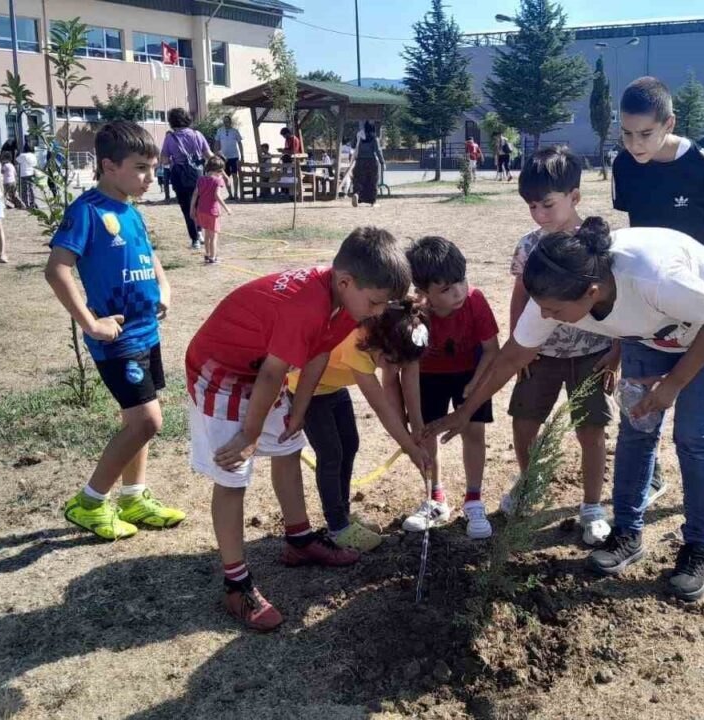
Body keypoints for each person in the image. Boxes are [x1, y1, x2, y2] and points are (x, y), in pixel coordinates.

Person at [423, 218, 704, 602]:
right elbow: (513, 355)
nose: (545, 317)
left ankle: (699, 547)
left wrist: (673, 385)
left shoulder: (653, 277)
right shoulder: (556, 288)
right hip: (651, 336)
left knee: (693, 436)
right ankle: (627, 534)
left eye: (553, 310)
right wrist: (467, 410)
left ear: (592, 293)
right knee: (637, 427)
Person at [185, 227, 412, 632]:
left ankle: (299, 541)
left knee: (289, 447)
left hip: (264, 372)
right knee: (233, 474)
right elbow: (274, 371)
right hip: (222, 371)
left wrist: (300, 409)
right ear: (346, 282)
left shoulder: (346, 301)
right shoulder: (305, 306)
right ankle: (236, 584)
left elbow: (319, 352)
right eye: (376, 302)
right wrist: (249, 435)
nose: (378, 313)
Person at [612, 76, 704, 525]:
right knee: (647, 383)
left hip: (697, 295)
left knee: (702, 395)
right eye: (626, 134)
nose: (635, 144)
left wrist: (697, 285)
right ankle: (649, 475)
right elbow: (633, 226)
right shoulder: (624, 166)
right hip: (650, 296)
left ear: (668, 123)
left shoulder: (701, 164)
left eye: (645, 134)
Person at [44, 121, 185, 541]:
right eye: (140, 168)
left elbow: (149, 256)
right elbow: (57, 270)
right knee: (147, 423)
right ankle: (87, 503)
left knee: (135, 420)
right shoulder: (87, 211)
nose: (149, 178)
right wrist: (90, 322)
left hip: (147, 334)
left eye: (153, 168)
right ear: (108, 165)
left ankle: (134, 497)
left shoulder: (131, 211)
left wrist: (164, 286)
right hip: (117, 341)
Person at [504, 147, 619, 546]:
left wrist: (616, 350)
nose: (539, 215)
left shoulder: (598, 243)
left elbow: (617, 301)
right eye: (532, 206)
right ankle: (529, 485)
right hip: (541, 355)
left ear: (575, 196)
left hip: (593, 354)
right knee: (523, 421)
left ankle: (591, 506)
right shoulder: (528, 246)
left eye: (548, 204)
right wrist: (517, 343)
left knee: (591, 429)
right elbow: (519, 296)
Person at [284, 304, 433, 552]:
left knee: (350, 445)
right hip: (308, 390)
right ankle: (337, 527)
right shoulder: (357, 344)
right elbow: (382, 407)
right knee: (331, 454)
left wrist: (416, 428)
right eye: (393, 363)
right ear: (381, 346)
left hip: (333, 387)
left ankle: (344, 513)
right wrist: (410, 449)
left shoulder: (392, 336)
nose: (396, 370)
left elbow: (407, 374)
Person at [401, 236, 500, 540]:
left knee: (473, 432)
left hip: (471, 373)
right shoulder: (415, 314)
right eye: (445, 289)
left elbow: (492, 349)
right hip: (429, 376)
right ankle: (435, 497)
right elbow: (409, 367)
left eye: (460, 281)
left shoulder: (475, 300)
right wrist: (415, 418)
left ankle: (474, 499)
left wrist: (474, 384)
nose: (458, 292)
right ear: (423, 292)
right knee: (427, 433)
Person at [160, 107, 212, 249]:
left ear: (172, 121)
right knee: (199, 205)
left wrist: (173, 161)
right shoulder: (197, 134)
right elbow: (209, 155)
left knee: (186, 207)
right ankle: (200, 232)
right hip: (198, 174)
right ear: (187, 119)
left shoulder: (170, 137)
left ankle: (195, 239)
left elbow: (164, 160)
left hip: (179, 175)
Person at [192, 155, 231, 265]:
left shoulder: (201, 179)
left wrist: (192, 209)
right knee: (214, 236)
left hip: (201, 210)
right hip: (212, 212)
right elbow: (217, 196)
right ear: (218, 170)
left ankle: (208, 254)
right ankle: (213, 258)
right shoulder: (218, 180)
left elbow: (195, 194)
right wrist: (226, 207)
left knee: (207, 235)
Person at [352, 121, 384, 207]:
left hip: (360, 161)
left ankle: (357, 194)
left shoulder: (360, 138)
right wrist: (382, 162)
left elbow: (352, 146)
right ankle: (373, 201)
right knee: (373, 181)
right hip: (371, 162)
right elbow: (378, 151)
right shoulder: (374, 139)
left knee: (359, 180)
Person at [215, 115, 244, 201]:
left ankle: (235, 194)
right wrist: (216, 155)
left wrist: (242, 156)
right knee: (225, 176)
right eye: (224, 121)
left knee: (235, 175)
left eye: (227, 121)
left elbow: (240, 143)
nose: (225, 123)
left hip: (234, 156)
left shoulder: (235, 131)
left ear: (230, 122)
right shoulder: (219, 131)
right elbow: (217, 143)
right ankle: (230, 194)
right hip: (224, 158)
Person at [17, 143, 38, 209]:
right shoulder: (33, 155)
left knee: (25, 190)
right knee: (31, 189)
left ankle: (26, 203)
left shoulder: (23, 155)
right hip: (32, 173)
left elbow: (16, 160)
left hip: (24, 174)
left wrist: (17, 154)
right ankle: (33, 202)